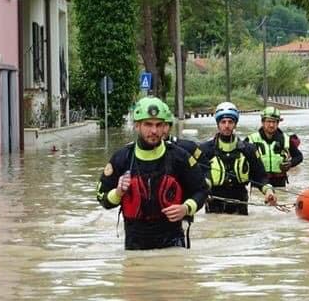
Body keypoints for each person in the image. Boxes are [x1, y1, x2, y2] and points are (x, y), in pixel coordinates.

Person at [96, 97, 208, 250]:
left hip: (173, 243)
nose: (154, 131)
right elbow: (101, 197)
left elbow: (201, 190)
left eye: (158, 125)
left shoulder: (180, 157)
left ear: (164, 127)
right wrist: (118, 192)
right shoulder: (122, 158)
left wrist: (186, 208)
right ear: (137, 126)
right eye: (148, 124)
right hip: (135, 246)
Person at [200, 102, 277, 215]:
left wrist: (269, 191)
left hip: (240, 205)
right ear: (218, 124)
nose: (227, 125)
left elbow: (261, 177)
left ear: (235, 124)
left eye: (230, 122)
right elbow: (194, 178)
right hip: (214, 206)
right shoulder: (205, 150)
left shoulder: (249, 150)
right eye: (223, 122)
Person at [245, 106, 303, 187]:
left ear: (278, 123)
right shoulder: (251, 139)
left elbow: (299, 156)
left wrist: (290, 164)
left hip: (279, 182)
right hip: (258, 183)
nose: (271, 125)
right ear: (262, 122)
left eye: (274, 122)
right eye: (268, 121)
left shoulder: (286, 139)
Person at [160, 104, 208, 171]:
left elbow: (206, 168)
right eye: (158, 125)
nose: (160, 130)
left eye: (164, 125)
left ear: (170, 127)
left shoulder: (189, 147)